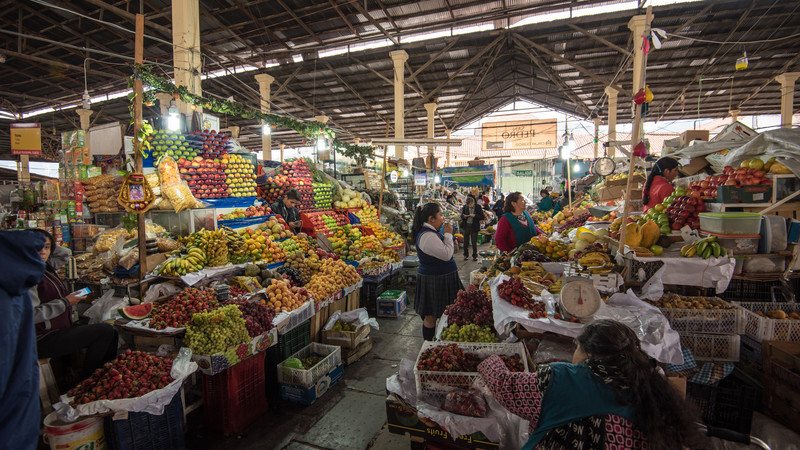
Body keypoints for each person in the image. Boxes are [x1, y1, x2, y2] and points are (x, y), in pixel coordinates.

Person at [478, 320, 702, 450]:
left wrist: (489, 359)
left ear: (590, 353)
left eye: (576, 347)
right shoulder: (649, 385)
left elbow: (506, 387)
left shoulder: (563, 379)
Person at [30, 229, 119, 384]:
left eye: (46, 247)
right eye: (37, 247)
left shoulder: (46, 267)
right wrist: (65, 302)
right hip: (40, 338)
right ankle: (87, 382)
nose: (43, 252)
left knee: (112, 333)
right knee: (104, 331)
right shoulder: (27, 276)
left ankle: (101, 379)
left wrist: (47, 241)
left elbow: (65, 253)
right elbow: (29, 315)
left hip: (58, 329)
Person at [1, 230, 47, 449]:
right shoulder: (17, 273)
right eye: (42, 247)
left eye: (48, 247)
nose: (44, 252)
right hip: (18, 429)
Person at [411, 203, 464, 341]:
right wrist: (447, 234)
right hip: (435, 279)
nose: (443, 218)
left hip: (441, 277)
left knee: (447, 313)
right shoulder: (428, 236)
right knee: (431, 316)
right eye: (440, 215)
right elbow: (447, 255)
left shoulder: (432, 233)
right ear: (431, 218)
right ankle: (428, 345)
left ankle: (441, 342)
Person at [460, 197, 485, 261]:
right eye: (468, 205)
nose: (469, 206)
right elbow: (461, 216)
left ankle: (474, 256)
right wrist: (464, 217)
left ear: (473, 203)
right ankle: (465, 255)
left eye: (470, 205)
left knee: (474, 242)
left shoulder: (478, 207)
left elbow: (482, 216)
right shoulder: (465, 207)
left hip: (474, 226)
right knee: (466, 242)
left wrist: (475, 216)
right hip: (466, 226)